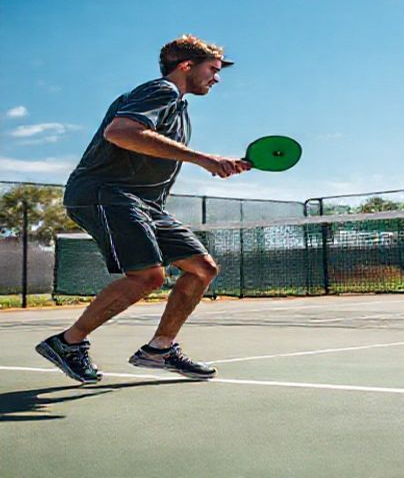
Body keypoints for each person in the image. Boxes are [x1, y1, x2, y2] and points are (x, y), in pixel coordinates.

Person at [36, 35, 251, 383]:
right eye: (212, 69)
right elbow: (120, 132)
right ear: (186, 66)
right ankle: (68, 342)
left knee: (201, 269)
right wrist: (205, 159)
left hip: (147, 204)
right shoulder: (161, 91)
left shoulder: (178, 108)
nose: (217, 78)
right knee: (148, 276)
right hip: (106, 192)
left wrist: (221, 163)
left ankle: (160, 349)